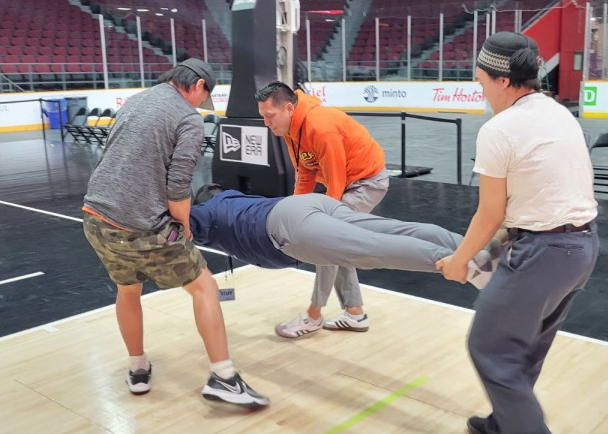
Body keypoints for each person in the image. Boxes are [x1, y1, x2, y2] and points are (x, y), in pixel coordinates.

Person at [436, 32, 599, 434]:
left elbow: (489, 212)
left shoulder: (500, 128)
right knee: (525, 347)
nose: (481, 91)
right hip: (581, 248)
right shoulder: (557, 111)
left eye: (481, 81)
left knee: (488, 346)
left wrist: (459, 261)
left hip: (543, 253)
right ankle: (504, 425)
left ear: (503, 81)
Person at [82, 59, 269, 409]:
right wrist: (183, 227)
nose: (200, 105)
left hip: (96, 217)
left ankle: (138, 370)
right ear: (197, 85)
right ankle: (225, 378)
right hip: (142, 226)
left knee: (127, 290)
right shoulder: (187, 118)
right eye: (204, 97)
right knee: (204, 285)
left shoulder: (137, 100)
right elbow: (179, 184)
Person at [188, 184, 503, 339]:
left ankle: (465, 265)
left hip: (286, 228)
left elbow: (178, 218)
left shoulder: (205, 214)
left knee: (373, 248)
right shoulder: (228, 198)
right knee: (393, 228)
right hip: (311, 204)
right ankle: (478, 252)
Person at [255, 81, 389, 338]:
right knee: (336, 245)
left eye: (269, 116)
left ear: (288, 108)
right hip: (347, 182)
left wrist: (321, 223)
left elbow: (336, 179)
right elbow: (305, 173)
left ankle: (314, 315)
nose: (266, 123)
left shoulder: (320, 126)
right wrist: (295, 213)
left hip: (366, 182)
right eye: (263, 117)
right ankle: (355, 312)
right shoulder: (292, 131)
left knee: (326, 241)